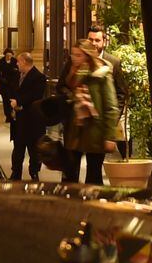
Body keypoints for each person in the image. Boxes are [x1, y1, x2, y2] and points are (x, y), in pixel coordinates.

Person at [58, 45, 117, 185]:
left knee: (93, 176)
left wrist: (109, 136)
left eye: (79, 55)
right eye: (73, 54)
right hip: (75, 130)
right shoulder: (72, 72)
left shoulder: (100, 74)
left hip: (94, 130)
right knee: (70, 174)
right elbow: (62, 89)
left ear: (87, 56)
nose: (74, 58)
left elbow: (110, 106)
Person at [9, 51, 49, 181]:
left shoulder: (39, 77)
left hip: (32, 122)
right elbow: (13, 91)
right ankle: (16, 174)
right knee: (18, 150)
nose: (17, 64)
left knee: (34, 150)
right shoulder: (17, 75)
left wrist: (19, 102)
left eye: (18, 62)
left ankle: (34, 173)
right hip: (19, 121)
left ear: (25, 62)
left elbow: (36, 96)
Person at [0, 48, 18, 126]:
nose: (9, 57)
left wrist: (15, 81)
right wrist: (2, 80)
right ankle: (8, 115)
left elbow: (18, 72)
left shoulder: (15, 61)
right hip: (4, 85)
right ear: (5, 55)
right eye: (7, 55)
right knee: (5, 101)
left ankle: (12, 114)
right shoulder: (1, 62)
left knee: (12, 100)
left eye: (10, 56)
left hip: (13, 85)